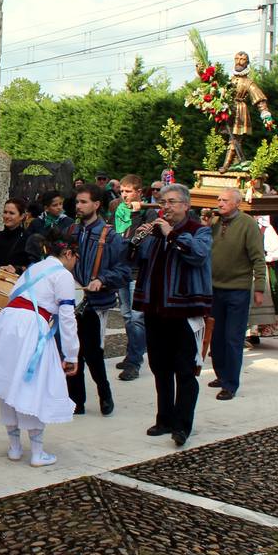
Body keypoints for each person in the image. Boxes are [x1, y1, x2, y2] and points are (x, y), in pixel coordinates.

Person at [0, 228, 79, 467]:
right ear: (67, 253)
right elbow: (67, 317)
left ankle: (14, 448)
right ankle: (37, 452)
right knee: (32, 384)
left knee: (8, 382)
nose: (76, 262)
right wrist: (71, 354)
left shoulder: (33, 269)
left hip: (6, 323)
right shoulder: (62, 275)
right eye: (75, 256)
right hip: (30, 326)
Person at [131, 184, 212, 447]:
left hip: (183, 312)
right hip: (156, 310)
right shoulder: (155, 232)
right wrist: (138, 238)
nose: (165, 206)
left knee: (185, 370)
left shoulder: (200, 231)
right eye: (163, 202)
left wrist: (171, 234)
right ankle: (164, 419)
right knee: (160, 367)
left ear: (186, 205)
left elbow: (197, 255)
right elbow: (131, 258)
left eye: (172, 202)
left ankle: (182, 425)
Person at [69, 184, 127, 416]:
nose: (79, 206)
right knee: (73, 353)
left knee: (93, 354)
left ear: (96, 205)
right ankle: (76, 401)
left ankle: (105, 393)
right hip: (71, 304)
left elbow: (123, 270)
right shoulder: (72, 231)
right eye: (77, 202)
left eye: (83, 202)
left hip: (94, 304)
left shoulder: (109, 235)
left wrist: (102, 279)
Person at [205, 189, 265, 400]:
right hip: (214, 288)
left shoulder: (247, 224)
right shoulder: (213, 223)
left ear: (237, 203)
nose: (219, 203)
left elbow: (258, 257)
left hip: (237, 289)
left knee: (233, 337)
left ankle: (230, 383)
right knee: (216, 336)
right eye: (218, 199)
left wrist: (259, 288)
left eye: (224, 200)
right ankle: (221, 375)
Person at [111, 174, 153, 382]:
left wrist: (137, 215)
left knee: (137, 317)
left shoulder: (147, 213)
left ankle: (134, 361)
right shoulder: (118, 211)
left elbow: (143, 239)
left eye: (128, 192)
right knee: (126, 315)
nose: (124, 196)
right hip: (121, 269)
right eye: (122, 192)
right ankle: (131, 353)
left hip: (138, 271)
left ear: (139, 192)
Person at [246, 215, 278, 343]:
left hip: (259, 267)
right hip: (240, 267)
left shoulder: (265, 228)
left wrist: (267, 258)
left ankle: (255, 332)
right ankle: (245, 332)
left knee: (260, 298)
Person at [0, 198, 33, 272]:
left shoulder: (28, 239)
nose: (7, 216)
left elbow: (32, 267)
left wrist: (16, 269)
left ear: (22, 216)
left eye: (11, 213)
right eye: (5, 212)